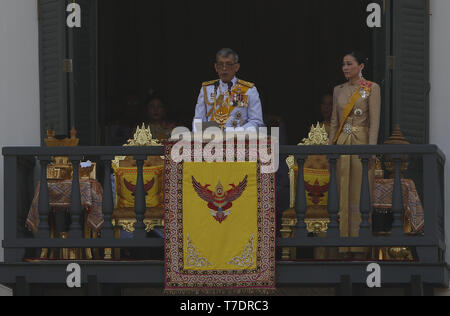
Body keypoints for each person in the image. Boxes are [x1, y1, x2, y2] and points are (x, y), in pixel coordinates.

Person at [328, 51, 381, 258]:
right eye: (343, 64)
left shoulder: (371, 88)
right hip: (342, 144)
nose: (345, 68)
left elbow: (374, 122)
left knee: (360, 192)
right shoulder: (338, 90)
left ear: (361, 66)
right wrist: (331, 146)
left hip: (361, 143)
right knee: (342, 190)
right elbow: (334, 121)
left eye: (349, 64)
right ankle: (342, 245)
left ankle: (359, 246)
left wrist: (372, 150)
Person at [193, 48, 264, 131]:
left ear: (236, 67)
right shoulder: (207, 89)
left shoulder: (249, 90)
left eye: (228, 64)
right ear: (216, 67)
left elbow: (256, 121)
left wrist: (236, 132)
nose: (224, 68)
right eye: (220, 64)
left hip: (238, 140)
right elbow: (198, 119)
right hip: (211, 140)